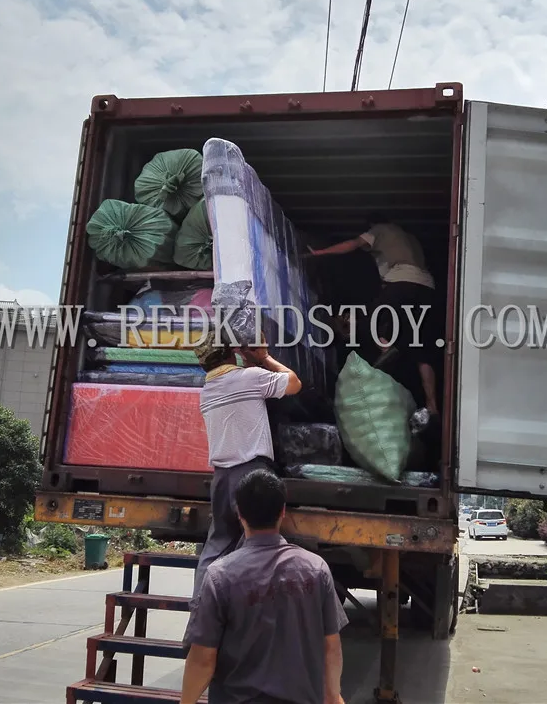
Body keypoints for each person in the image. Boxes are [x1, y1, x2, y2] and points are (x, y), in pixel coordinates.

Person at [181, 468, 348, 704]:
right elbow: (331, 645)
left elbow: (203, 658)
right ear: (283, 512)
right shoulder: (316, 569)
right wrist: (332, 696)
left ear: (239, 513)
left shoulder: (220, 576)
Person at [190, 331, 302, 608]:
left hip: (222, 478)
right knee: (256, 545)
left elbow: (245, 386)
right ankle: (245, 612)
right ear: (231, 354)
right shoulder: (248, 379)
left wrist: (251, 364)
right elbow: (294, 384)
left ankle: (201, 611)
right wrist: (264, 357)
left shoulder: (208, 391)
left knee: (216, 545)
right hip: (251, 475)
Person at [308, 221, 441, 414]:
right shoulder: (410, 238)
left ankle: (386, 347)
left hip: (403, 281)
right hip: (427, 288)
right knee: (422, 350)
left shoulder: (380, 230)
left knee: (371, 320)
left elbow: (352, 244)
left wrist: (320, 253)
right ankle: (432, 405)